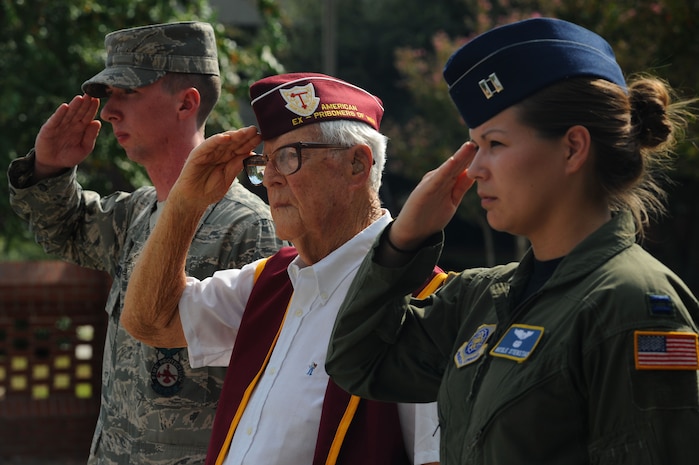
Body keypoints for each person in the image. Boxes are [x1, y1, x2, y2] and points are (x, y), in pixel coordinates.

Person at [325, 17, 699, 465]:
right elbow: (357, 363)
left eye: (495, 144)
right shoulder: (483, 296)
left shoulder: (634, 303)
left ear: (573, 148)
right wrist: (403, 239)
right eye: (474, 146)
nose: (475, 168)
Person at [120, 72, 443, 465]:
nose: (270, 178)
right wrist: (186, 203)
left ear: (357, 165)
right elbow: (149, 321)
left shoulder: (424, 304)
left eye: (290, 157)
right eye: (264, 161)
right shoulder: (269, 282)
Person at [7, 22, 283, 464]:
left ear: (186, 102)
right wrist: (48, 169)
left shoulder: (249, 228)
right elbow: (65, 231)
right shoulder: (136, 214)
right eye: (109, 96)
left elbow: (276, 383)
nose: (110, 111)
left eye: (127, 92)